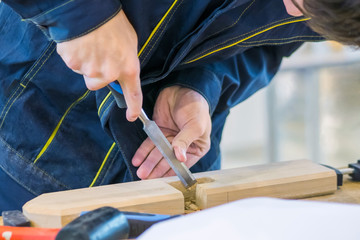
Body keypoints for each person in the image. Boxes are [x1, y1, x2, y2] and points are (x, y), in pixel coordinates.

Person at [0, 0, 333, 212]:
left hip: (165, 189)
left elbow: (266, 44)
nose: (289, 11)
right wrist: (79, 13)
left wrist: (201, 84)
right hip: (24, 132)